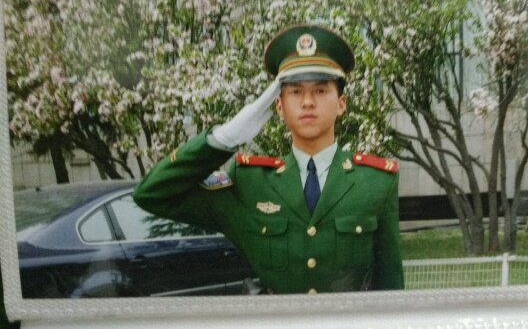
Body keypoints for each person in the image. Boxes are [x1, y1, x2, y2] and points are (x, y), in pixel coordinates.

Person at [133, 23, 404, 294]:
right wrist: (222, 139)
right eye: (295, 91)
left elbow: (390, 287)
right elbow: (151, 194)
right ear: (279, 107)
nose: (307, 102)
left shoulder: (375, 182)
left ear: (341, 104)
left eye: (321, 91)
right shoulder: (249, 183)